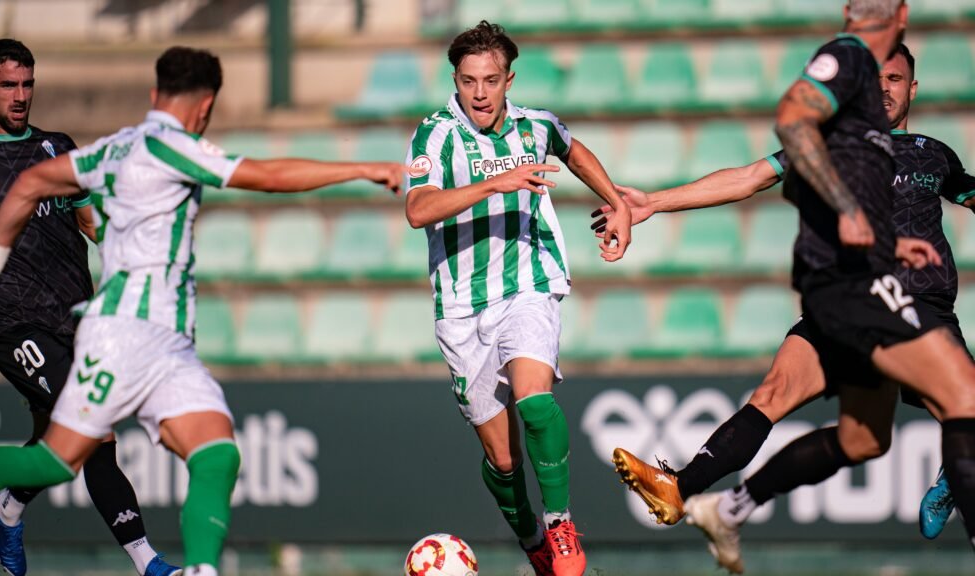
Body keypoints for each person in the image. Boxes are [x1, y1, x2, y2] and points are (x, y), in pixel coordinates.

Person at [0, 46, 403, 576]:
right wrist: (364, 168)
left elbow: (32, 184)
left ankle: (201, 571)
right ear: (206, 105)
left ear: (153, 95)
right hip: (117, 336)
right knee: (59, 459)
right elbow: (268, 175)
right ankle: (144, 558)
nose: (21, 95)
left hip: (162, 343)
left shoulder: (112, 149)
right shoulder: (174, 147)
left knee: (217, 451)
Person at [600, 1, 975, 571]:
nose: (884, 88)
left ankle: (728, 506)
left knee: (866, 440)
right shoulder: (835, 138)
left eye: (895, 79)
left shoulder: (933, 155)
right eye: (876, 78)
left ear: (913, 89)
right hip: (859, 297)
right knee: (781, 395)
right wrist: (655, 200)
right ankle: (680, 484)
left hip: (917, 304)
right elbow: (750, 176)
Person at [404, 20, 632, 576]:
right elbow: (418, 210)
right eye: (467, 81)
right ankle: (532, 537)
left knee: (535, 400)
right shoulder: (434, 134)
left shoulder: (536, 125)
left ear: (509, 79)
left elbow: (573, 150)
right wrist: (493, 184)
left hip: (528, 285)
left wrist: (616, 203)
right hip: (461, 308)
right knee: (503, 460)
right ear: (454, 81)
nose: (479, 93)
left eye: (490, 80)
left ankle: (559, 523)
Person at [0, 38, 179, 576]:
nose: (20, 95)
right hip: (15, 324)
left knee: (58, 445)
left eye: (28, 84)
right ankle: (148, 563)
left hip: (78, 318)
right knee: (95, 432)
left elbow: (88, 219)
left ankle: (6, 506)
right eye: (8, 85)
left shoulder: (57, 147)